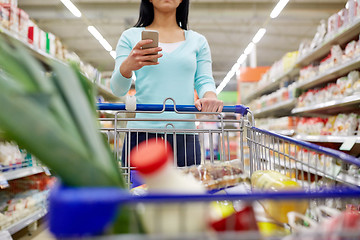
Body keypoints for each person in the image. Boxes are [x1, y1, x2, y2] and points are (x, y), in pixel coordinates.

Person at [110, 0, 223, 167]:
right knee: (139, 192)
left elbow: (204, 79)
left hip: (185, 134)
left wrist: (210, 96)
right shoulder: (130, 37)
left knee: (184, 192)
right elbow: (118, 89)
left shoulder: (198, 41)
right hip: (142, 134)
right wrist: (127, 66)